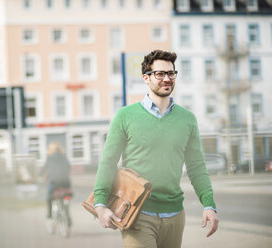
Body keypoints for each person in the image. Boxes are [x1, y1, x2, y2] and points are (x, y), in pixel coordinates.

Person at [93, 49, 219, 248]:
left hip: (175, 216)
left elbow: (197, 168)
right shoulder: (125, 116)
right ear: (146, 78)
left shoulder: (187, 119)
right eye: (160, 74)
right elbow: (108, 162)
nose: (167, 79)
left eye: (171, 73)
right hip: (137, 214)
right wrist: (100, 204)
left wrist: (209, 205)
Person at [40, 141, 71, 219]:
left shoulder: (50, 158)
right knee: (65, 196)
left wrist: (39, 174)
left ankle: (49, 214)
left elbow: (44, 169)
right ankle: (67, 215)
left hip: (54, 182)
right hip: (65, 181)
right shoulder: (64, 156)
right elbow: (68, 166)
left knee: (49, 196)